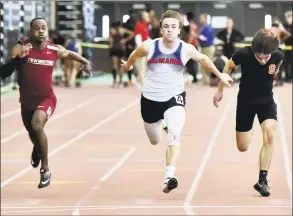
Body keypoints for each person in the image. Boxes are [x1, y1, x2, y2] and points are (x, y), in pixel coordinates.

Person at [121, 10, 233, 193]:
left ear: (179, 30)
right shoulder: (150, 46)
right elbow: (135, 53)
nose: (169, 30)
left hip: (174, 97)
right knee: (155, 140)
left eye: (173, 27)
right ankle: (163, 124)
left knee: (175, 134)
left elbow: (204, 59)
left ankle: (170, 175)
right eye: (166, 27)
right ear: (161, 29)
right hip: (150, 99)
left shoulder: (185, 48)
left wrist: (221, 75)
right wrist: (128, 65)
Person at [0, 17, 92, 189]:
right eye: (37, 28)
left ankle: (46, 169)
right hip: (27, 101)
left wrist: (85, 62)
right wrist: (17, 58)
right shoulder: (21, 47)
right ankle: (37, 148)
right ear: (31, 31)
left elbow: (69, 54)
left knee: (37, 124)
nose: (41, 31)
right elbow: (3, 73)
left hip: (47, 99)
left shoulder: (54, 49)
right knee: (33, 132)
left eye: (44, 28)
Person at [213, 28, 284, 197]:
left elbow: (276, 69)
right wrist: (220, 90)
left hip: (266, 101)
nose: (262, 60)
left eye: (265, 57)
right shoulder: (243, 54)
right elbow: (228, 66)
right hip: (245, 102)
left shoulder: (278, 56)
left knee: (270, 134)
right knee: (243, 147)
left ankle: (262, 181)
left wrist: (273, 74)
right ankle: (249, 129)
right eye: (258, 57)